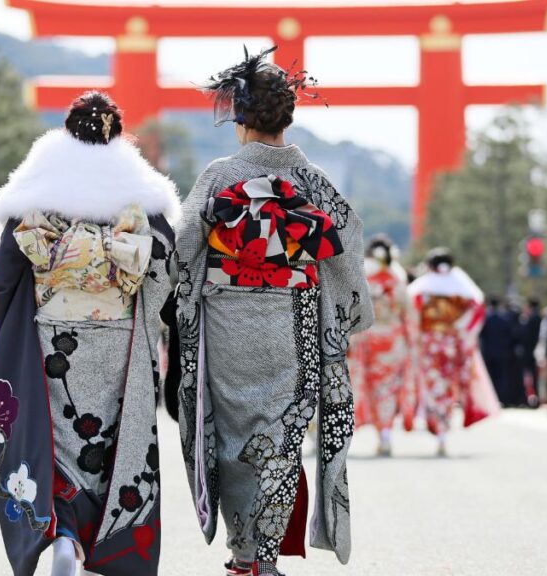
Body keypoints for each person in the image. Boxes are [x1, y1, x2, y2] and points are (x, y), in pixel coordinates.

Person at [173, 47, 373, 576]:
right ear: (287, 115)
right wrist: (351, 314)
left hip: (224, 321)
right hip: (295, 319)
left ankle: (244, 552)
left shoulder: (219, 176)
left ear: (240, 119)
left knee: (232, 435)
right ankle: (262, 558)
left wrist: (171, 302)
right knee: (281, 437)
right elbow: (346, 243)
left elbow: (182, 246)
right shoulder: (312, 180)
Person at [0, 91, 177, 576]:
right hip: (116, 335)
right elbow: (165, 262)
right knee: (107, 442)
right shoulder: (138, 191)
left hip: (53, 334)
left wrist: (5, 327)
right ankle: (100, 542)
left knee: (56, 438)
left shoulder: (39, 188)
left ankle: (64, 536)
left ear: (69, 129)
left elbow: (5, 273)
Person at [408, 248, 499, 456]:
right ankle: (443, 430)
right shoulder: (463, 289)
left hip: (429, 344)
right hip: (452, 346)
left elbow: (411, 316)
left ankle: (436, 424)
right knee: (449, 389)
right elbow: (476, 314)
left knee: (432, 387)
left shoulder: (423, 290)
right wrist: (462, 334)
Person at [349, 235, 414, 457]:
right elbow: (408, 313)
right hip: (395, 341)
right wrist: (413, 343)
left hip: (368, 338)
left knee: (372, 388)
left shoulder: (365, 278)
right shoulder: (397, 281)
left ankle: (381, 431)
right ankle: (385, 432)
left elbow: (354, 311)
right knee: (388, 389)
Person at [480, 297, 518, 407]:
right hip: (502, 353)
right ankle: (502, 399)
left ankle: (489, 399)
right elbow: (510, 336)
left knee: (489, 377)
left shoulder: (486, 319)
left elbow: (482, 335)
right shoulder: (504, 319)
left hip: (488, 352)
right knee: (502, 377)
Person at [519, 298, 543, 407]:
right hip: (535, 351)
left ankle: (529, 399)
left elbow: (526, 335)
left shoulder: (531, 318)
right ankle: (536, 398)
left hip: (530, 351)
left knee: (530, 377)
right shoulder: (540, 317)